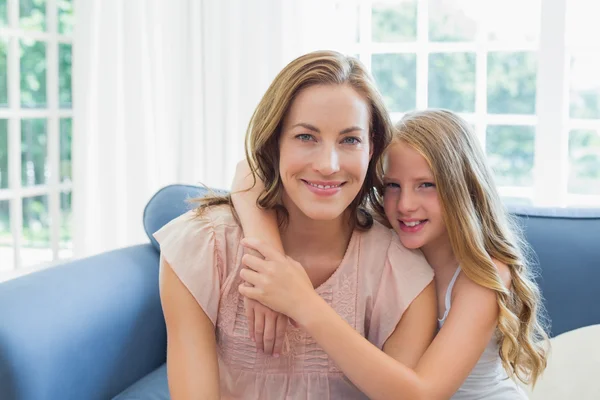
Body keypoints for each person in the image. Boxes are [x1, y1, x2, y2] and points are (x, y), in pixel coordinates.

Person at [154, 50, 436, 399]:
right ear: (275, 142)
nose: (328, 165)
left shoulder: (402, 271)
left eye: (349, 140)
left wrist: (300, 301)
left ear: (371, 148)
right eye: (306, 137)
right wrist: (264, 255)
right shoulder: (202, 248)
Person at [234, 109, 549, 399]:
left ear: (462, 188)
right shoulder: (385, 244)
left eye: (426, 185)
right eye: (392, 186)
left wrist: (304, 303)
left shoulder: (482, 276)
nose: (405, 205)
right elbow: (247, 172)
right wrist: (265, 244)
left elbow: (424, 393)